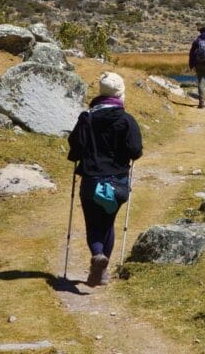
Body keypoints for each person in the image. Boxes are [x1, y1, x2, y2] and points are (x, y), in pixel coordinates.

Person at [67, 72, 143, 287]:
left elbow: (75, 149)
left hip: (91, 181)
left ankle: (98, 254)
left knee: (93, 224)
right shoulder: (127, 120)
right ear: (120, 95)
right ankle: (103, 270)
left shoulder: (86, 118)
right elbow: (135, 151)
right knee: (107, 223)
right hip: (117, 182)